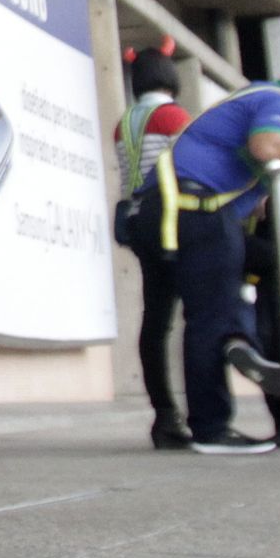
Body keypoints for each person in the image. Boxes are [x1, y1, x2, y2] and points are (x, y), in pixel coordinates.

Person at [129, 60, 280, 454]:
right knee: (211, 315)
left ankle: (250, 345)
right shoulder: (279, 101)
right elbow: (266, 146)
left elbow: (255, 191)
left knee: (266, 265)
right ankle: (215, 419)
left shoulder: (247, 103)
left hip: (158, 211)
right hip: (194, 209)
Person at [113, 54, 194, 448]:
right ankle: (197, 411)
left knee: (155, 321)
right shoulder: (173, 118)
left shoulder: (124, 122)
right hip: (173, 222)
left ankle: (163, 414)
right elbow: (192, 167)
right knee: (195, 317)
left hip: (139, 222)